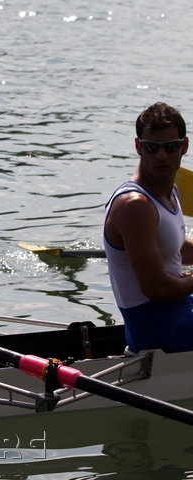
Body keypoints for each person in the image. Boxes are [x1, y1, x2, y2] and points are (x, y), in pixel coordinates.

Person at [103, 102, 193, 353]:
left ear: (183, 146)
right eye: (152, 148)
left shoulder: (169, 189)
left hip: (179, 314)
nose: (161, 156)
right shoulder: (135, 205)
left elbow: (173, 246)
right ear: (138, 147)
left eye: (171, 147)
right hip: (159, 331)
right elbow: (158, 288)